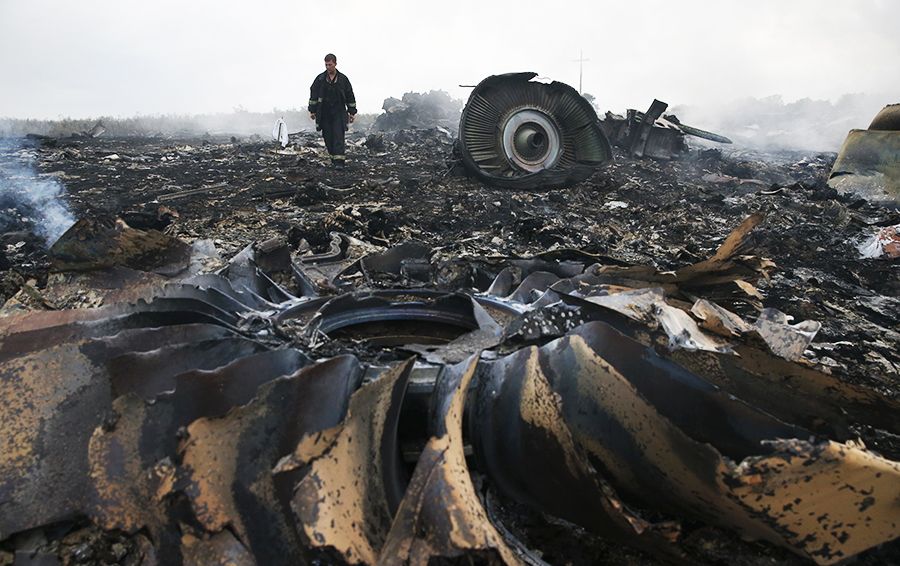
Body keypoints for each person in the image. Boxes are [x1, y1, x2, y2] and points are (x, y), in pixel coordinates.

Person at [308, 53, 357, 167]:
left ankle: (339, 162)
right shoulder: (320, 79)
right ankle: (333, 159)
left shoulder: (343, 79)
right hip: (324, 113)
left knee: (338, 136)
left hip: (338, 112)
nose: (328, 67)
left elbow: (350, 95)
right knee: (328, 137)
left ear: (335, 64)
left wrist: (352, 112)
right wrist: (312, 110)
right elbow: (313, 95)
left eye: (330, 65)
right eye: (326, 65)